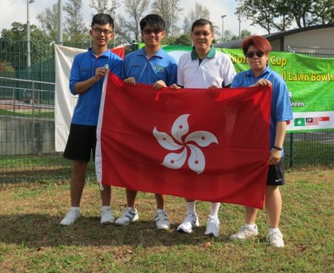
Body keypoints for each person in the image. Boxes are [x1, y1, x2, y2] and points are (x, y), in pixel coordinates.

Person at [171, 18, 236, 237]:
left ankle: (213, 217)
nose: (201, 37)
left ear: (213, 35)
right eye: (197, 33)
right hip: (190, 124)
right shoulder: (183, 60)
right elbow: (180, 89)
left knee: (213, 170)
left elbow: (232, 93)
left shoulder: (223, 59)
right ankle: (191, 215)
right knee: (189, 169)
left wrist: (220, 96)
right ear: (191, 36)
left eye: (205, 33)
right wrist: (173, 89)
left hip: (216, 126)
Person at [229, 35, 293, 248]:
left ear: (267, 56)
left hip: (268, 146)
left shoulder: (276, 80)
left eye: (259, 54)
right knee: (250, 187)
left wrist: (277, 147)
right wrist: (253, 91)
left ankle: (274, 230)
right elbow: (232, 107)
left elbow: (282, 117)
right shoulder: (240, 79)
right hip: (247, 146)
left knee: (270, 188)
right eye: (250, 54)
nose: (255, 58)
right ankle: (249, 226)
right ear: (245, 57)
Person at [115, 14, 178, 230]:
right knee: (132, 164)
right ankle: (130, 209)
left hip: (159, 124)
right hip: (133, 123)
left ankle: (161, 212)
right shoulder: (130, 59)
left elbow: (178, 94)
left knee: (158, 166)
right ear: (141, 34)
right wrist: (127, 83)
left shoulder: (171, 63)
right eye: (147, 31)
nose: (152, 35)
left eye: (155, 31)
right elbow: (119, 89)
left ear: (163, 34)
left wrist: (167, 88)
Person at [60, 13, 123, 226]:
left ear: (111, 35)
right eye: (98, 30)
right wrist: (95, 78)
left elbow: (123, 92)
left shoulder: (117, 62)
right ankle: (74, 209)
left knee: (103, 168)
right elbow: (74, 88)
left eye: (106, 31)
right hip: (81, 121)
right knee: (79, 166)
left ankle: (106, 209)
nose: (101, 34)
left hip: (106, 123)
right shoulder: (80, 60)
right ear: (91, 32)